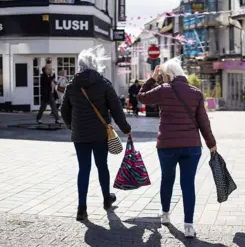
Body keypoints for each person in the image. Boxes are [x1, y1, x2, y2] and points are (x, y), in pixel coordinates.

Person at [137, 58, 216, 238]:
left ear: (168, 75)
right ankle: (188, 226)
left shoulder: (164, 90)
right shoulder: (195, 92)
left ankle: (165, 214)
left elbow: (141, 97)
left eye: (163, 76)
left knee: (167, 179)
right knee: (188, 184)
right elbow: (204, 121)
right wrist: (211, 144)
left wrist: (151, 78)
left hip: (167, 145)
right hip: (191, 146)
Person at [61, 46, 132, 222]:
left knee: (83, 169)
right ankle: (107, 200)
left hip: (80, 136)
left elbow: (64, 111)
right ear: (94, 64)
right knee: (102, 166)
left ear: (79, 65)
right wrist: (126, 129)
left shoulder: (72, 86)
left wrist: (72, 126)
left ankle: (81, 209)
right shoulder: (104, 84)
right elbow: (116, 109)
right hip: (100, 135)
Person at [36, 58, 62, 124]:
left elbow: (52, 78)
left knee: (54, 108)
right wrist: (51, 76)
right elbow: (48, 81)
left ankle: (57, 119)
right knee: (43, 108)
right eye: (48, 69)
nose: (50, 70)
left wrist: (52, 74)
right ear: (45, 70)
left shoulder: (49, 76)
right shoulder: (43, 76)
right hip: (45, 95)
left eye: (50, 69)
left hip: (51, 94)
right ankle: (38, 118)